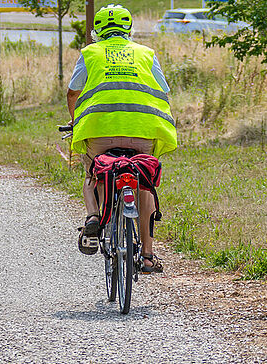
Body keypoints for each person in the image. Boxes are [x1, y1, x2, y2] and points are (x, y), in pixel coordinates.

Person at [67, 4, 177, 273]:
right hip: (143, 130)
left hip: (100, 131)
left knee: (95, 173)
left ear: (97, 31)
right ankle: (148, 256)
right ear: (129, 29)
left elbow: (73, 93)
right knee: (145, 185)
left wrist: (75, 121)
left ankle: (95, 217)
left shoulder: (91, 53)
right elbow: (163, 90)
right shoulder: (146, 54)